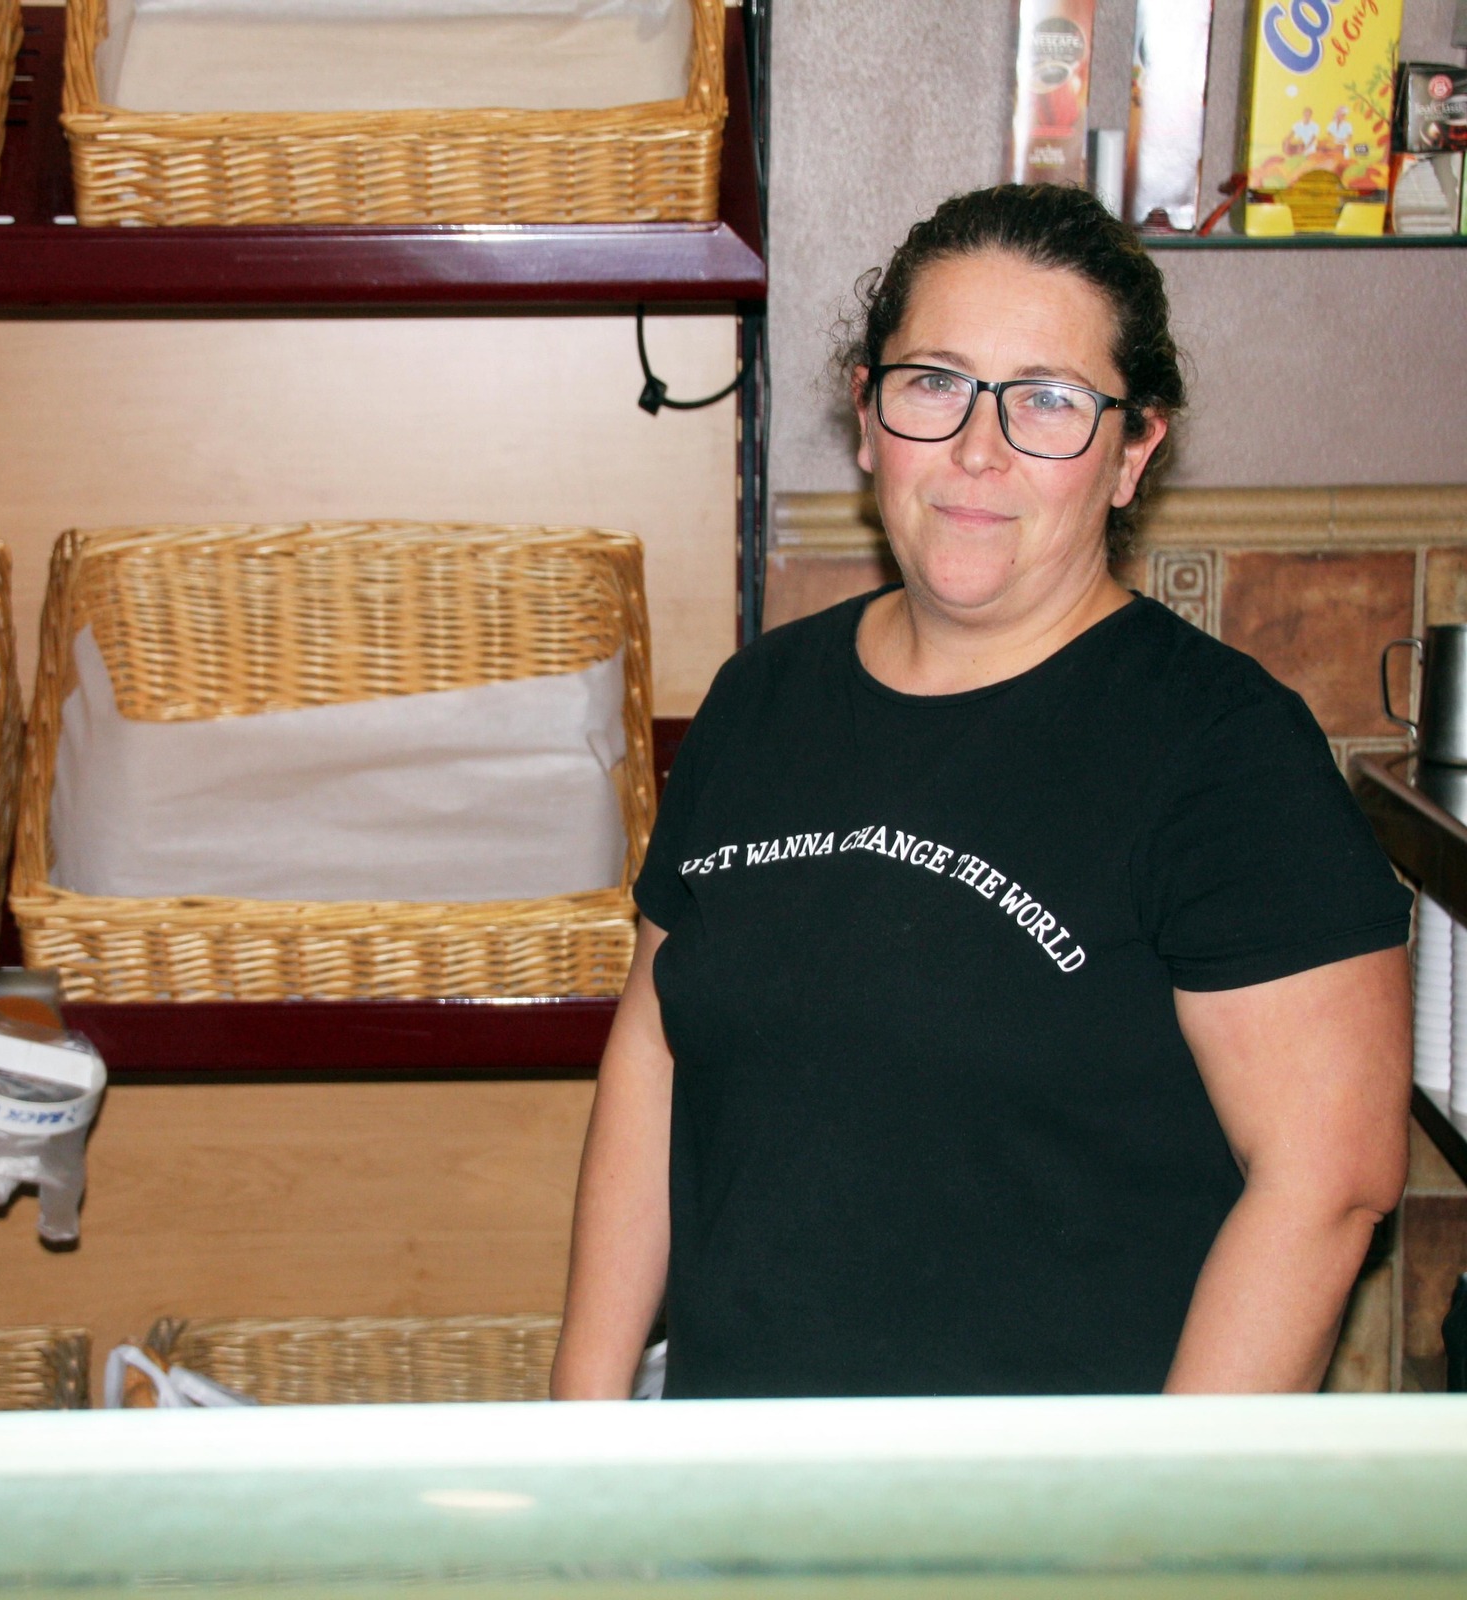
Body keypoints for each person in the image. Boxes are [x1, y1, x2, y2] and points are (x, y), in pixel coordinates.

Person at [550, 183, 1412, 1401]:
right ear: (865, 414)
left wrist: (1153, 1542)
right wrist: (581, 1433)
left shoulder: (1221, 752)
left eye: (1049, 401)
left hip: (1046, 1517)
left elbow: (1329, 1185)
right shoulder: (759, 700)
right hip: (738, 1484)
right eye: (934, 383)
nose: (977, 448)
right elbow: (655, 1047)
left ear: (1132, 452)